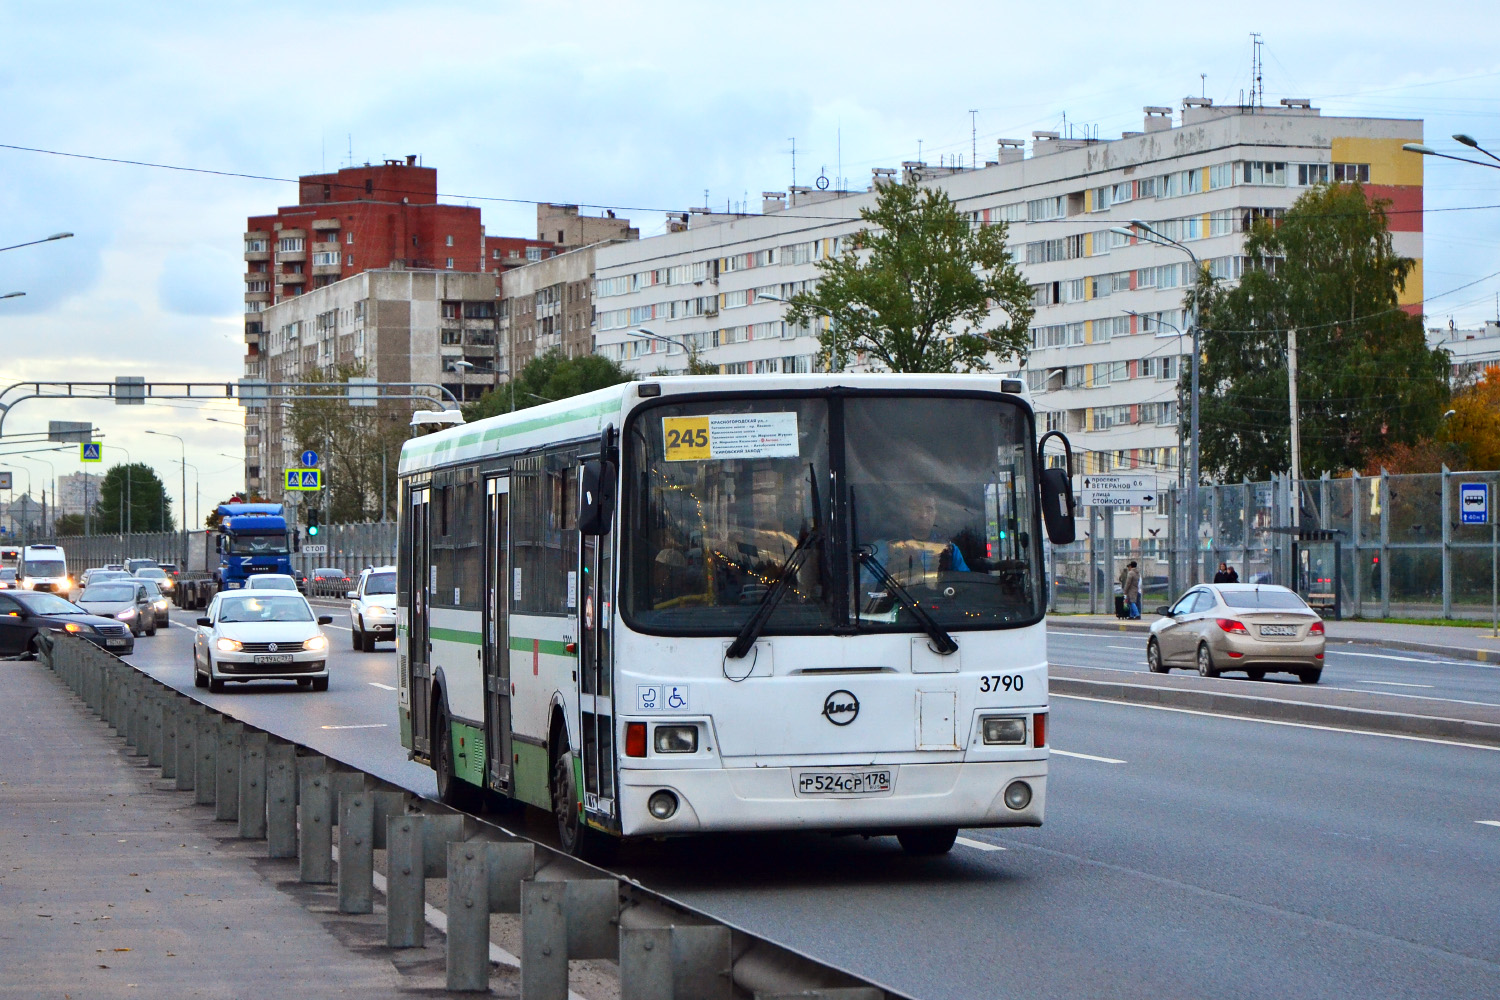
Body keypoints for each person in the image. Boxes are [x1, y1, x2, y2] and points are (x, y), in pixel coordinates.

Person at [862, 492, 969, 596]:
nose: (923, 515)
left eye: (929, 509)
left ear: (936, 514)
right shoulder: (885, 547)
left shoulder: (949, 550)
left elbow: (966, 585)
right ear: (905, 512)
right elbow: (866, 590)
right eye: (915, 508)